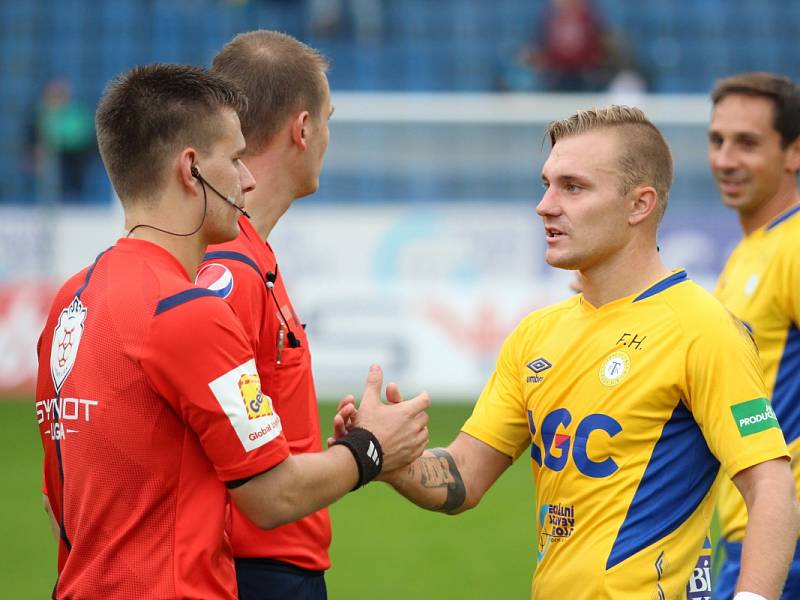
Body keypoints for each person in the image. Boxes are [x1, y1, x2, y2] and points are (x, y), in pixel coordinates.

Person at [336, 105, 799, 599]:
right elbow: (465, 475)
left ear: (638, 205)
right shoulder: (536, 334)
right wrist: (387, 457)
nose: (545, 205)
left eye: (573, 188)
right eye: (547, 183)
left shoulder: (703, 329)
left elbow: (770, 485)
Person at [35, 63, 429, 599]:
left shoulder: (72, 298)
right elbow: (272, 497)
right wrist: (370, 447)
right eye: (237, 158)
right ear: (191, 169)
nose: (247, 179)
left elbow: (57, 503)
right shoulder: (186, 311)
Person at [195, 30, 334, 599]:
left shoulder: (247, 253)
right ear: (302, 129)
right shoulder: (227, 266)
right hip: (253, 570)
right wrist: (369, 449)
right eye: (329, 119)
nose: (329, 137)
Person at [708, 72, 800, 600]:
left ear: (793, 153)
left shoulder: (792, 249)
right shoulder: (750, 251)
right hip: (753, 535)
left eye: (747, 143)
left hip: (784, 543)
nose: (725, 159)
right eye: (717, 140)